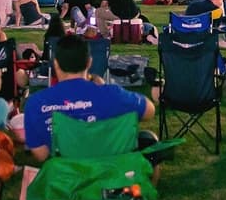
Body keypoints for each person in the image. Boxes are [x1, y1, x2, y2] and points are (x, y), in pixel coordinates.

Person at [24, 35, 155, 163]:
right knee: (149, 139)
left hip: (66, 179)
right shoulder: (112, 95)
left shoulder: (36, 103)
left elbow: (41, 155)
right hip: (111, 176)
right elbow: (149, 110)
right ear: (89, 62)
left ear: (56, 63)